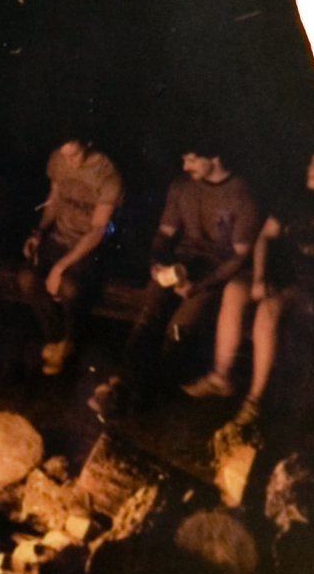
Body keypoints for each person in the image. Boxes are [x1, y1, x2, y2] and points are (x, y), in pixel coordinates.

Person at [182, 149, 314, 426]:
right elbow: (265, 237)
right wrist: (258, 277)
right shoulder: (297, 200)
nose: (310, 168)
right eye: (310, 161)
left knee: (269, 309)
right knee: (235, 289)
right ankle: (221, 377)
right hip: (284, 277)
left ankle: (254, 401)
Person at [99, 139, 260, 415]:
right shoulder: (182, 186)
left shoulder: (242, 196)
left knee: (178, 328)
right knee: (149, 311)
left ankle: (143, 395)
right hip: (184, 263)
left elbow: (239, 257)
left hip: (215, 273)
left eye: (192, 160)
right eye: (183, 159)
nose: (185, 166)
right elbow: (164, 234)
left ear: (214, 156)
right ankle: (121, 384)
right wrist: (157, 262)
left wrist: (201, 286)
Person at [17, 136, 123, 375]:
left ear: (88, 143)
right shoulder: (58, 159)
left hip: (89, 247)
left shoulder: (108, 175)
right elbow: (54, 201)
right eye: (65, 155)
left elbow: (98, 230)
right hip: (58, 238)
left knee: (68, 287)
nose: (69, 161)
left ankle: (70, 340)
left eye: (74, 155)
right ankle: (55, 340)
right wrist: (40, 232)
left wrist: (59, 267)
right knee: (26, 278)